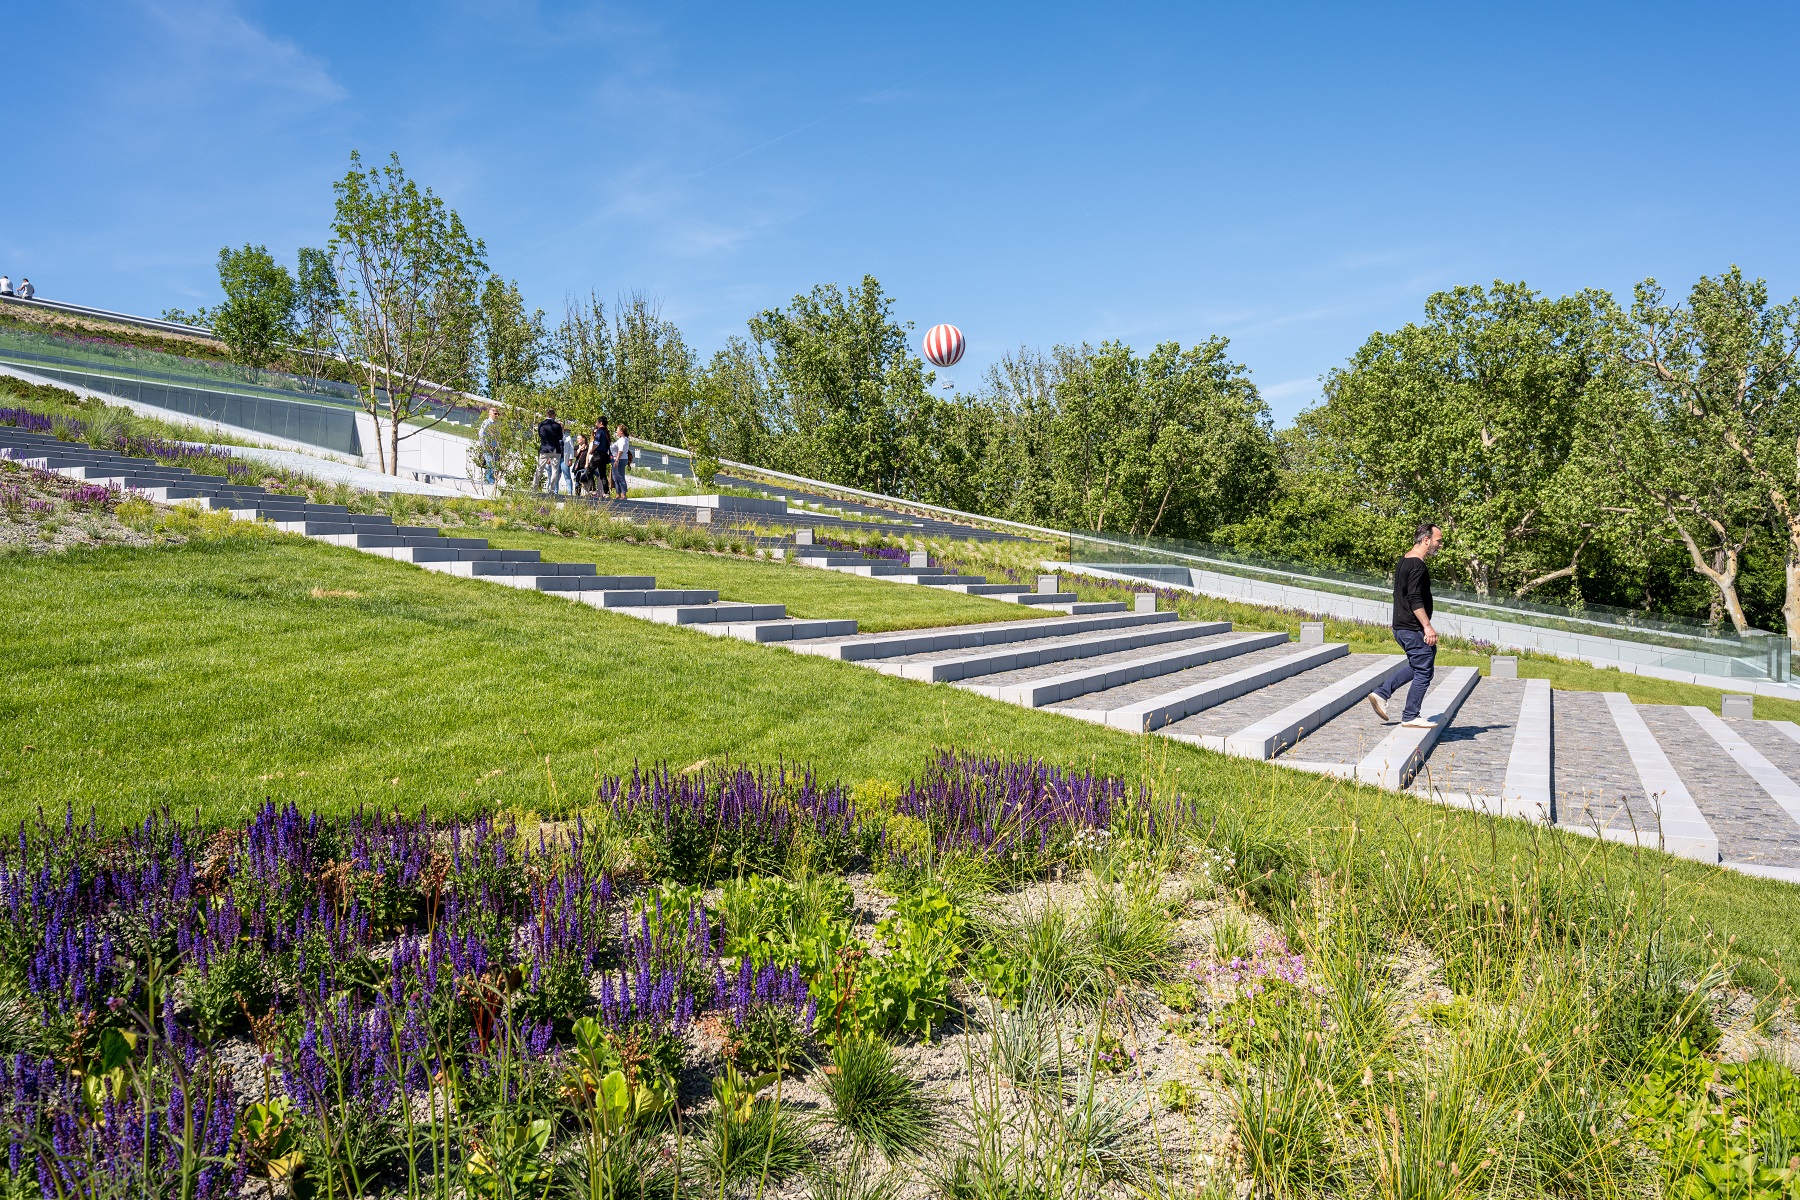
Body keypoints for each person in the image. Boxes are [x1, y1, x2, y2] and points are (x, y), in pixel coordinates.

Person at [1367, 522, 1444, 728]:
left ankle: (1382, 693)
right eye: (1438, 541)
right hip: (1411, 627)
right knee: (1424, 669)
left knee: (1418, 664)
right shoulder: (1417, 565)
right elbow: (1414, 598)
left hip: (1401, 626)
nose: (1440, 545)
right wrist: (1427, 626)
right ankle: (1410, 715)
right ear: (1426, 540)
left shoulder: (1405, 560)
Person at [534, 407, 565, 496]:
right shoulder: (557, 425)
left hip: (544, 448)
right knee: (555, 471)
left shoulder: (541, 425)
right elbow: (560, 437)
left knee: (539, 469)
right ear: (553, 415)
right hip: (555, 449)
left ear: (546, 415)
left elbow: (540, 435)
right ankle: (551, 489)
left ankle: (534, 488)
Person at [474, 406, 500, 495]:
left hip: (495, 449)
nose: (497, 415)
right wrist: (485, 446)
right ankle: (490, 483)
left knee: (494, 466)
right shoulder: (487, 423)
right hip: (489, 448)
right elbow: (481, 434)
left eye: (497, 414)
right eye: (495, 413)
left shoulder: (496, 424)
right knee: (491, 465)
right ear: (490, 413)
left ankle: (489, 482)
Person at [610, 424, 632, 499]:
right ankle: (618, 493)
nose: (616, 431)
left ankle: (623, 493)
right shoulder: (620, 439)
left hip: (620, 459)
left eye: (617, 430)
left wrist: (616, 460)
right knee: (615, 477)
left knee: (620, 476)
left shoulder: (623, 440)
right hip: (618, 459)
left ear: (621, 431)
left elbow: (620, 450)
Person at [592, 417, 612, 498]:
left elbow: (596, 442)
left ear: (600, 423)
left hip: (598, 454)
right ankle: (606, 492)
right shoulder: (606, 431)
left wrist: (592, 449)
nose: (596, 423)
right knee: (603, 475)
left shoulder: (600, 431)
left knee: (589, 471)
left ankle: (592, 489)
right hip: (604, 454)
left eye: (597, 422)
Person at [559, 422, 577, 495]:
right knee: (556, 477)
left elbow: (571, 450)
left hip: (564, 459)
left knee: (567, 476)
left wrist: (570, 459)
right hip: (556, 460)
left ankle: (570, 492)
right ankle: (555, 492)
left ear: (563, 428)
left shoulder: (568, 438)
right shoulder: (554, 437)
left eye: (561, 427)